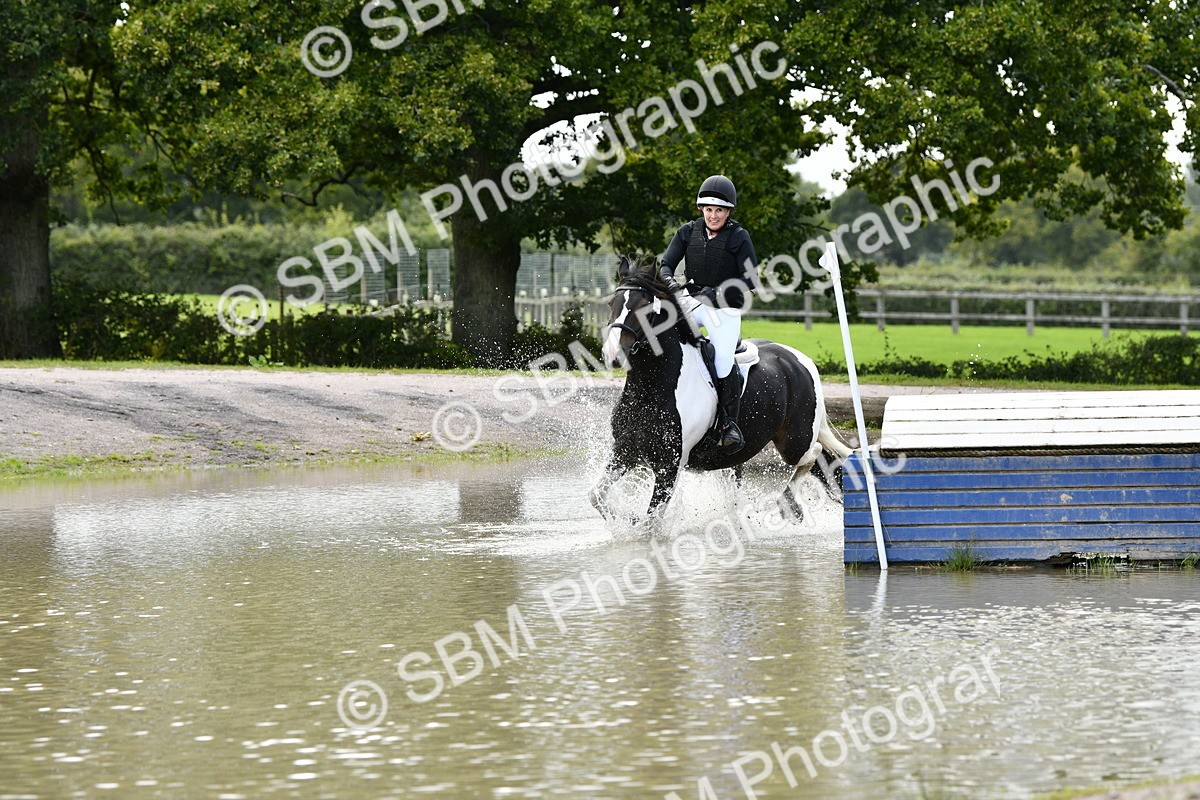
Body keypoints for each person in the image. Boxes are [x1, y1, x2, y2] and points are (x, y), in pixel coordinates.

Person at [658, 174, 758, 452]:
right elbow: (666, 264)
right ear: (701, 209)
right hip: (691, 301)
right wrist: (669, 282)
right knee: (660, 335)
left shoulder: (738, 237)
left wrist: (717, 293)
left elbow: (751, 279)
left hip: (724, 309)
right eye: (709, 209)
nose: (713, 215)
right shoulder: (687, 232)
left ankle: (728, 424)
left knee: (723, 360)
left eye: (719, 210)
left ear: (728, 212)